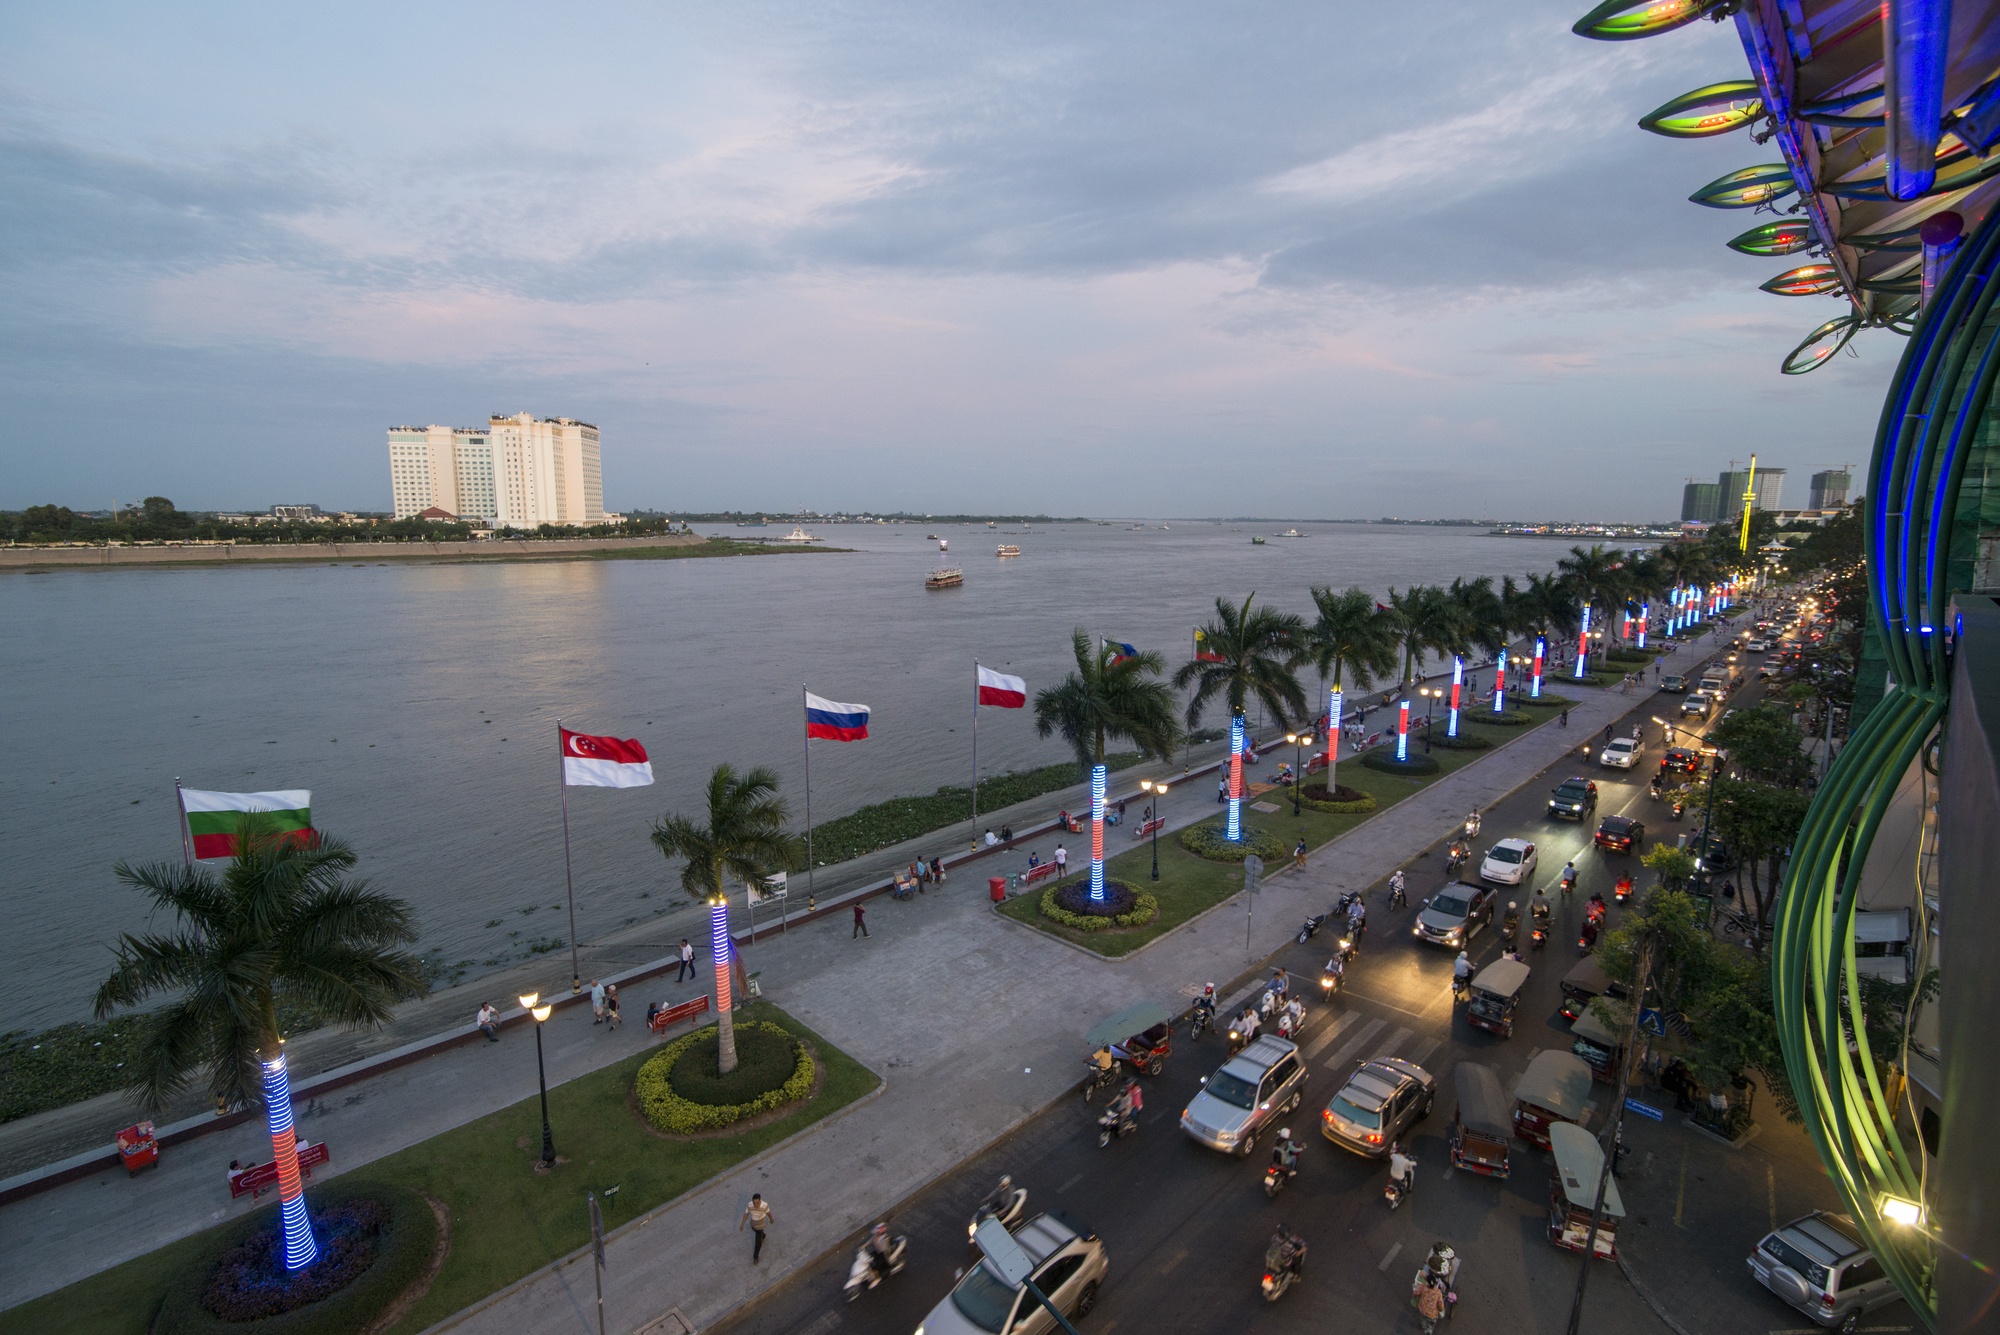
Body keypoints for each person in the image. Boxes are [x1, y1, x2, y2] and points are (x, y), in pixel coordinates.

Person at [739, 1192, 774, 1263]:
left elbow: (768, 1213)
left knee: (758, 1243)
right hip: (753, 1224)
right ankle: (763, 1235)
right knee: (757, 1231)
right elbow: (746, 1214)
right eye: (754, 1203)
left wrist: (771, 1219)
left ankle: (755, 1257)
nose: (756, 1205)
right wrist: (742, 1224)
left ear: (760, 1200)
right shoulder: (749, 1205)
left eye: (757, 1203)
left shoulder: (764, 1205)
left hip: (761, 1224)